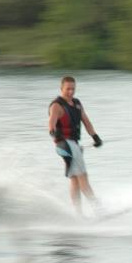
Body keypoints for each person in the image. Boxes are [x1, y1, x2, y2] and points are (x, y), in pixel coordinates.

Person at [48, 75, 103, 215]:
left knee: (75, 180)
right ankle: (99, 210)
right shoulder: (56, 105)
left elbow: (86, 122)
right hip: (65, 145)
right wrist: (57, 137)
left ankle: (78, 214)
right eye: (68, 89)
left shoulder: (77, 103)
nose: (71, 92)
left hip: (74, 144)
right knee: (82, 176)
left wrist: (95, 137)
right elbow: (51, 125)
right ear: (61, 88)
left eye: (73, 89)